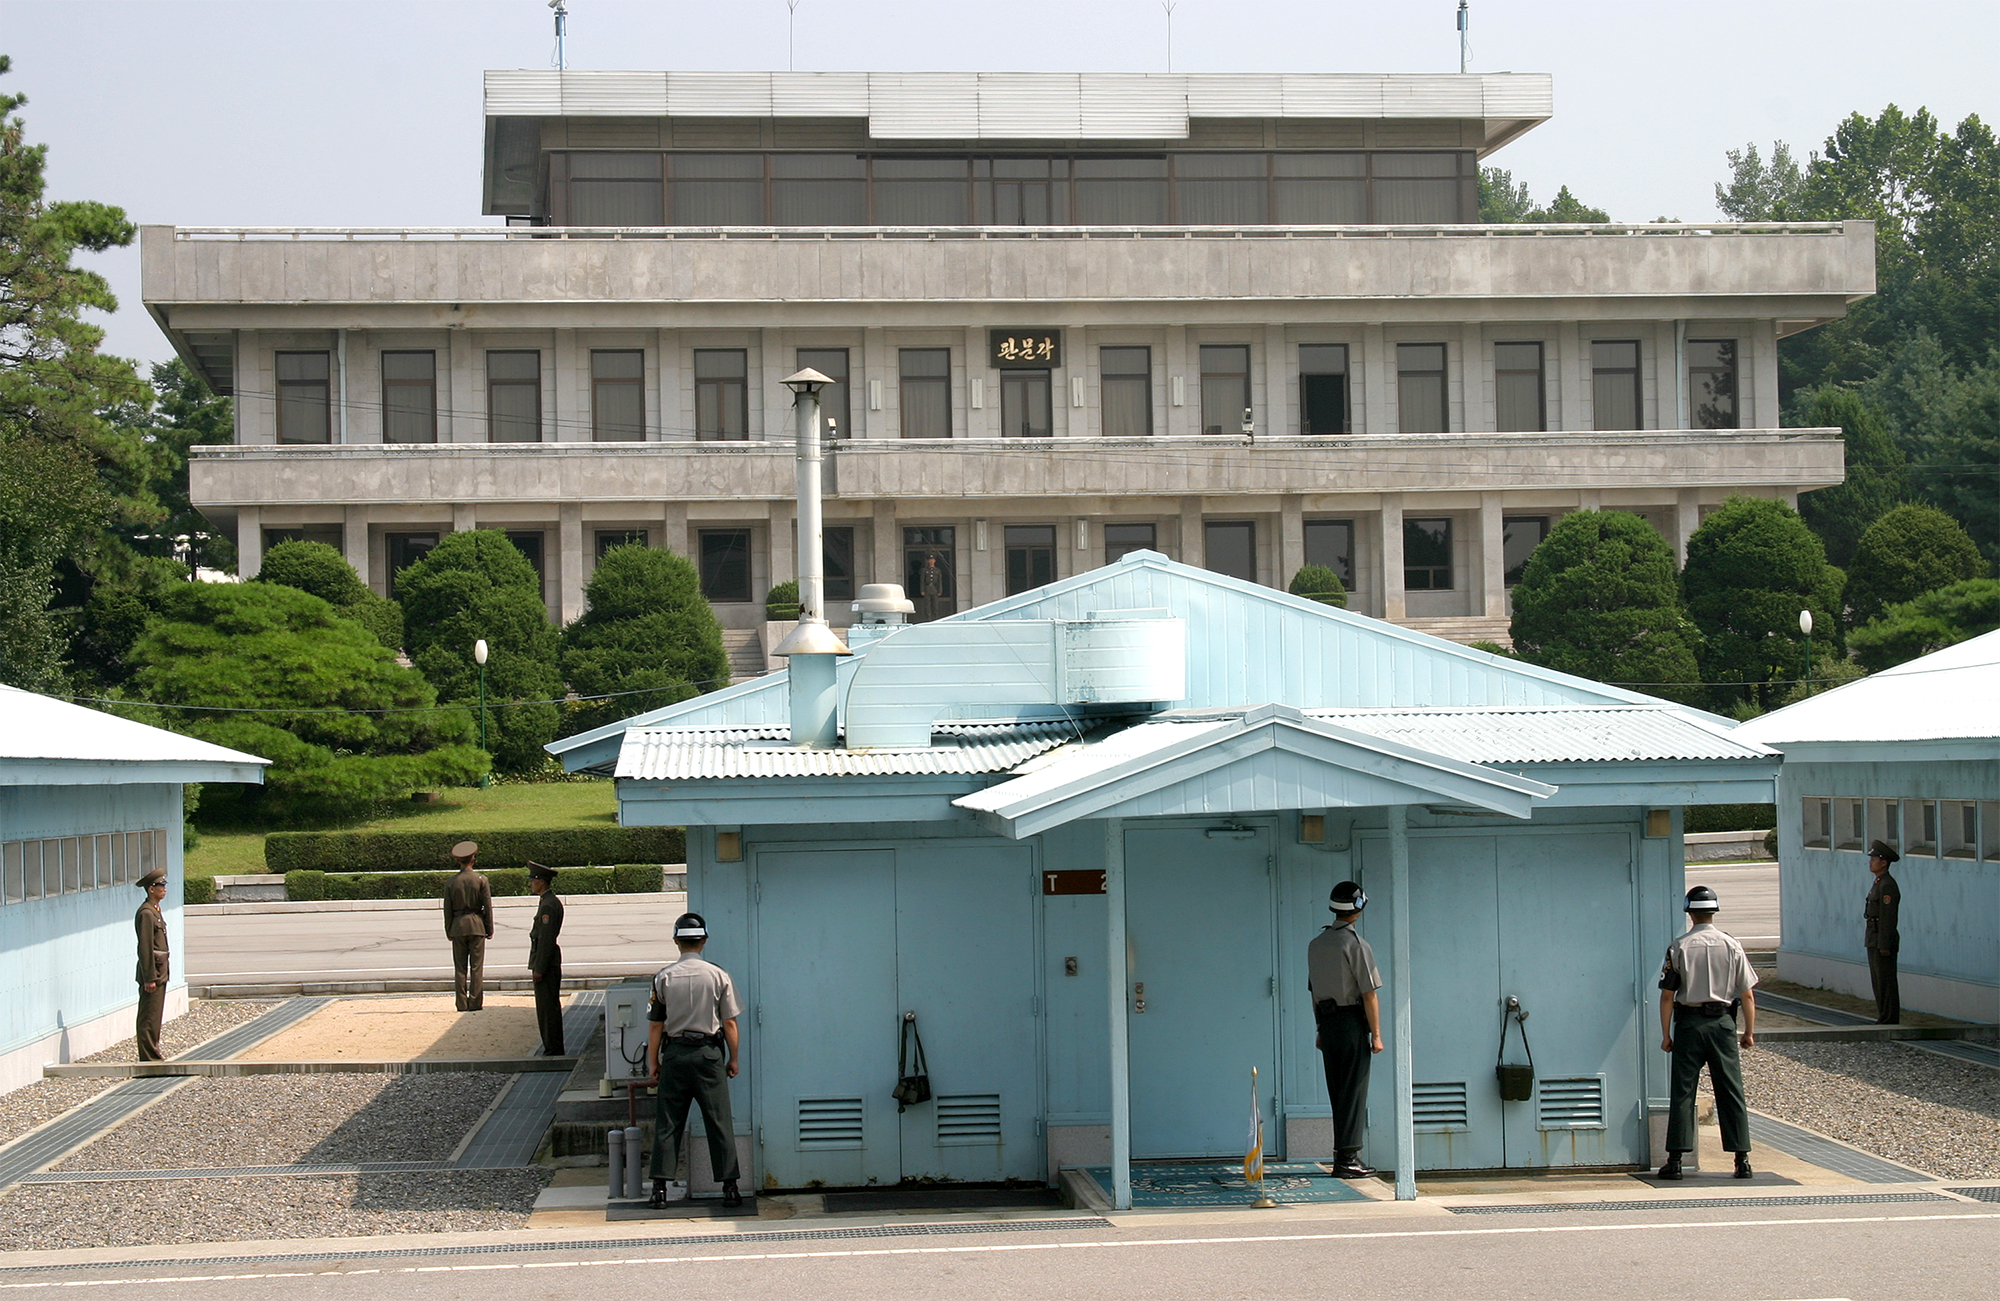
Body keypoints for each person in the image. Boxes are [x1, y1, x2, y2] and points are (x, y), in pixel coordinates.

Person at [1658, 884, 1758, 1180]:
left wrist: (1666, 1034)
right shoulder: (1732, 945)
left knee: (1683, 1091)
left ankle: (1675, 1160)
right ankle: (1742, 1160)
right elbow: (1748, 993)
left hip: (1689, 1024)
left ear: (1690, 912)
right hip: (1723, 1024)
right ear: (1714, 911)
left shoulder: (1679, 947)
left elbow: (1667, 995)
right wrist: (1748, 1032)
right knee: (1730, 1090)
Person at [648, 912, 744, 1209]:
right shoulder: (718, 975)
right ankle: (729, 1187)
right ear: (703, 941)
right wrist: (734, 1059)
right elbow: (729, 1023)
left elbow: (655, 1026)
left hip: (675, 1054)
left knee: (668, 1121)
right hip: (708, 1055)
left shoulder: (663, 977)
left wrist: (653, 1062)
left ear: (677, 941)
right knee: (718, 1120)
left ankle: (660, 1190)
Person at [1307, 880, 1383, 1180]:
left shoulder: (1316, 944)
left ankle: (1341, 1156)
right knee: (1354, 1090)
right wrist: (1376, 1034)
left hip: (1327, 1021)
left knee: (1337, 1090)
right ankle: (1348, 1159)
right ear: (1358, 907)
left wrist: (1320, 1028)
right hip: (1352, 1022)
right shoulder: (1356, 945)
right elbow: (1369, 993)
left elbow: (1313, 991)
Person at [442, 840, 493, 1012]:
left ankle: (461, 1003)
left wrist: (448, 929)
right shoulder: (481, 880)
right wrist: (489, 928)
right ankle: (475, 1002)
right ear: (473, 859)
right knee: (477, 967)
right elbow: (487, 906)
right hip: (477, 924)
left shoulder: (451, 882)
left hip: (457, 926)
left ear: (458, 861)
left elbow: (447, 909)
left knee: (460, 967)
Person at [526, 862, 565, 1055]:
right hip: (547, 962)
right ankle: (551, 1046)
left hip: (547, 964)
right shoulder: (547, 902)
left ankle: (553, 1048)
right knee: (547, 1007)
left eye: (533, 880)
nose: (531, 884)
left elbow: (546, 940)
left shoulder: (549, 905)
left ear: (541, 881)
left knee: (547, 1009)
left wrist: (539, 968)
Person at [133, 867, 170, 1061]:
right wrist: (149, 977)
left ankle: (153, 1053)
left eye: (164, 885)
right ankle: (148, 1057)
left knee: (155, 1017)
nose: (164, 888)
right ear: (151, 889)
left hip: (160, 972)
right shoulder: (146, 913)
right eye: (160, 885)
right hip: (153, 973)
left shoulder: (155, 911)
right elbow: (145, 947)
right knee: (148, 1016)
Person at [1864, 839, 1902, 1024]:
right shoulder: (1879, 883)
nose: (1871, 862)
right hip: (1873, 937)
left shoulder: (1887, 885)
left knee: (1886, 982)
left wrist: (1884, 944)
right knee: (1878, 982)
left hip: (1881, 939)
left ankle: (1889, 1018)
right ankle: (1883, 1016)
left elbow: (1888, 917)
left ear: (1884, 862)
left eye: (1874, 859)